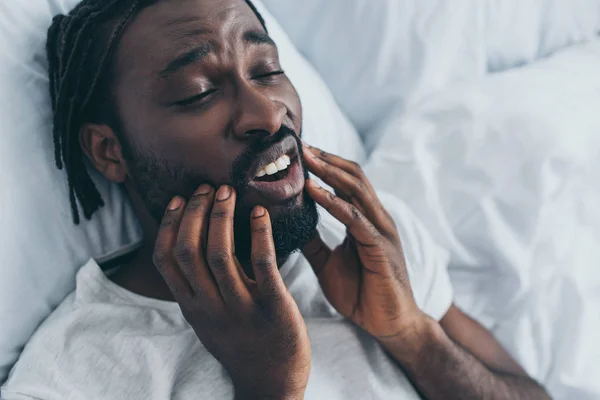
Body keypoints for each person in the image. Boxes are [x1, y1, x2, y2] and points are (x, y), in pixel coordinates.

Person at [1, 0, 551, 399]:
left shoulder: (362, 242)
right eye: (199, 92)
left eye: (267, 71)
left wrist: (413, 335)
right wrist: (268, 387)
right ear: (108, 150)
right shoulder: (72, 372)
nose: (268, 113)